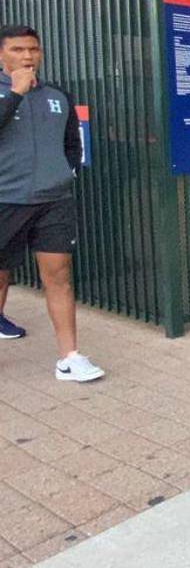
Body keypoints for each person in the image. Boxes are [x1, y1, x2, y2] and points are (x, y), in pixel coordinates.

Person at [0, 25, 105, 381]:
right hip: (6, 200)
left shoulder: (56, 95)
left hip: (53, 201)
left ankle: (69, 358)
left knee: (58, 276)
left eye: (33, 49)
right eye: (17, 49)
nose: (27, 56)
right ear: (2, 54)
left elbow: (72, 142)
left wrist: (66, 172)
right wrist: (15, 92)